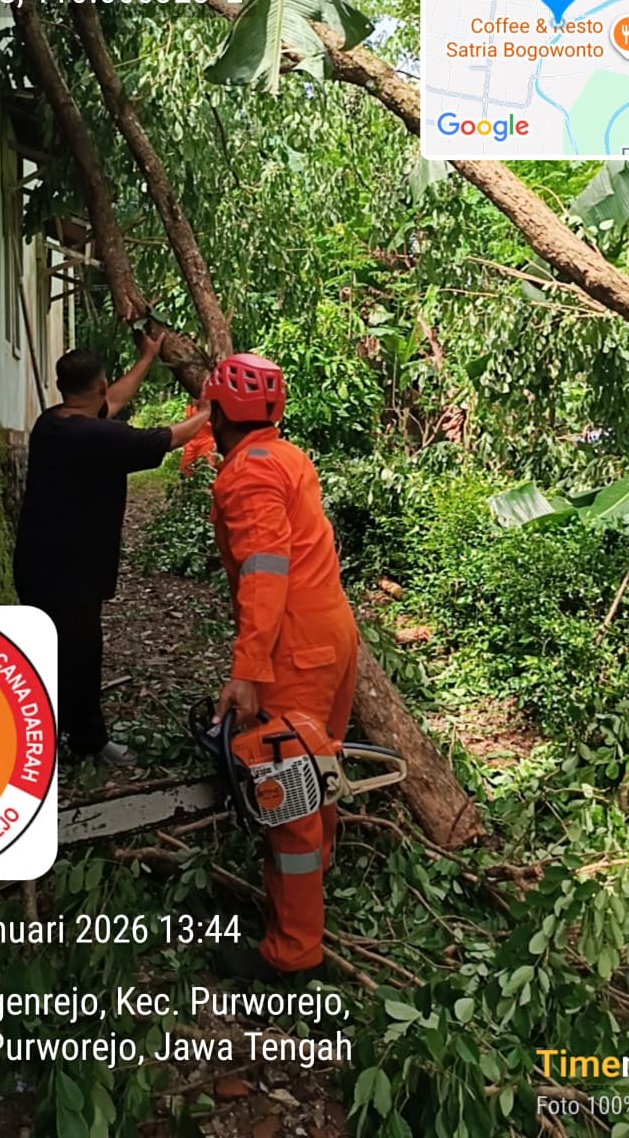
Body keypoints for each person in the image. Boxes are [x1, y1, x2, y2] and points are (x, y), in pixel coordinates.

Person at [203, 353, 359, 980]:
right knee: (318, 769)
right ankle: (313, 887)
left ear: (219, 413)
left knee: (286, 790)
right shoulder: (287, 456)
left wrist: (246, 670)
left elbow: (264, 573)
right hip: (332, 635)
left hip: (294, 649)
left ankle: (294, 951)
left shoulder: (246, 474)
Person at [14, 336, 211, 766]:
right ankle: (87, 740)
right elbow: (168, 438)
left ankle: (46, 730)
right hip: (70, 575)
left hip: (38, 565)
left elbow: (114, 400)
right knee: (81, 656)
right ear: (98, 384)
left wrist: (147, 357)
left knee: (50, 653)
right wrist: (209, 411)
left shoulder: (52, 423)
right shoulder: (96, 436)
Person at [178, 398, 218, 476]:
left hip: (207, 441)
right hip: (191, 441)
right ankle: (187, 481)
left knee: (205, 466)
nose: (195, 400)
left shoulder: (210, 411)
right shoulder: (189, 409)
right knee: (185, 467)